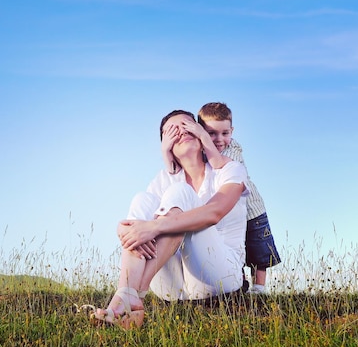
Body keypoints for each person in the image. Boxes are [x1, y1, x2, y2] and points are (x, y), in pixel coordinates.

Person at [86, 110, 249, 329]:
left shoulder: (229, 170)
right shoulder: (162, 179)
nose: (181, 131)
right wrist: (124, 229)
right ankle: (127, 295)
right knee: (142, 199)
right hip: (173, 287)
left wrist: (153, 227)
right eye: (171, 130)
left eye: (187, 125)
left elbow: (215, 212)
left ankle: (132, 297)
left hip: (220, 276)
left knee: (179, 193)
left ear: (201, 133)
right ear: (166, 144)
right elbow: (140, 222)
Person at [198, 102, 281, 294]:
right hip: (228, 214)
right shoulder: (201, 152)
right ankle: (239, 283)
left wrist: (204, 139)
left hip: (252, 210)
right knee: (233, 247)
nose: (219, 139)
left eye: (225, 133)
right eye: (211, 133)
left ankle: (259, 287)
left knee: (258, 249)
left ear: (232, 131)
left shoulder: (233, 148)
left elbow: (219, 164)